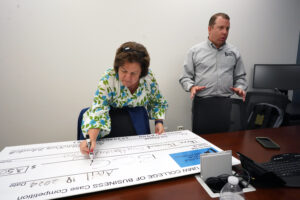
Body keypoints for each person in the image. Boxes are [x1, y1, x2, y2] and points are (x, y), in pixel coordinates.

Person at [80, 41, 168, 155]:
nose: (127, 77)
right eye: (123, 71)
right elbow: (99, 110)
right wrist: (91, 138)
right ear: (117, 68)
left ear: (142, 72)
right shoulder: (108, 79)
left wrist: (158, 122)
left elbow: (157, 101)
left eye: (133, 73)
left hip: (138, 123)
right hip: (112, 124)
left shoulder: (148, 78)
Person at [179, 13, 248, 134]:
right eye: (221, 28)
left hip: (225, 105)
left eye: (227, 28)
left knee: (224, 142)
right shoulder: (195, 51)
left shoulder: (234, 52)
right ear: (210, 28)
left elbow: (240, 77)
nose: (225, 32)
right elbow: (185, 77)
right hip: (203, 104)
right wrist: (191, 87)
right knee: (201, 141)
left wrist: (240, 87)